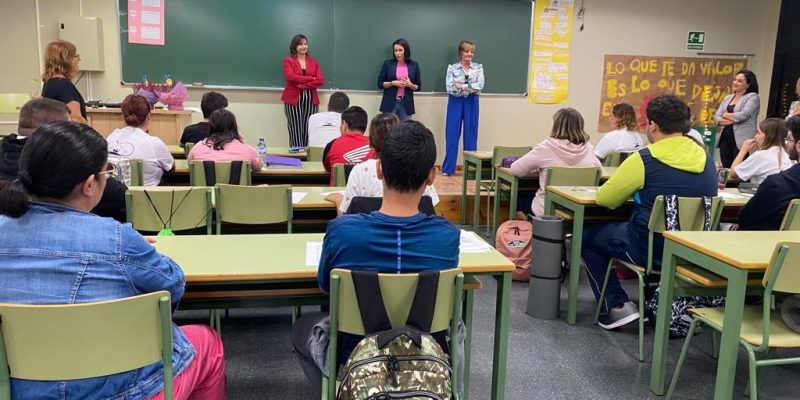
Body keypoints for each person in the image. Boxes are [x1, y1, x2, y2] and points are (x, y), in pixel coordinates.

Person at [0, 121, 225, 399]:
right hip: (121, 391)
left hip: (16, 389)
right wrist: (141, 250)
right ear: (90, 184)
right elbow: (173, 286)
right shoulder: (117, 240)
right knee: (208, 341)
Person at [292, 120, 460, 396]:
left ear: (379, 168)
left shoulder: (342, 231)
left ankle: (342, 388)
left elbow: (326, 286)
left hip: (352, 354)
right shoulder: (447, 237)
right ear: (432, 176)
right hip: (426, 354)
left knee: (303, 327)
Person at [581, 95, 717, 329]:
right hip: (692, 251)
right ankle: (654, 299)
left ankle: (614, 305)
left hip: (652, 249)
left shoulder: (644, 158)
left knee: (586, 237)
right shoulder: (706, 158)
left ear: (652, 125)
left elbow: (606, 199)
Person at [0, 98, 127, 222]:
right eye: (70, 126)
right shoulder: (66, 157)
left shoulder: (8, 154)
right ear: (57, 131)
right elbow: (119, 198)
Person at [327, 113, 439, 214]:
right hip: (416, 233)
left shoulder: (360, 171)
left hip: (368, 234)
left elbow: (346, 216)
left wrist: (338, 200)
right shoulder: (418, 166)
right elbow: (430, 208)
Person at [509, 108, 602, 217]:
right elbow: (600, 173)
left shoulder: (546, 147)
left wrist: (538, 170)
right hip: (578, 211)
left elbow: (515, 170)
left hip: (547, 209)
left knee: (519, 197)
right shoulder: (588, 148)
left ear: (556, 125)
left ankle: (532, 225)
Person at [737, 116, 800, 230]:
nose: (787, 143)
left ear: (799, 146)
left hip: (766, 242)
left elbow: (745, 218)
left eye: (789, 139)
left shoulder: (776, 183)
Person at [107, 94, 175, 186]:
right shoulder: (153, 143)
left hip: (111, 197)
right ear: (148, 116)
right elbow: (171, 167)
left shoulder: (112, 136)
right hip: (145, 198)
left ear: (124, 116)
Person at [442, 40, 484, 176]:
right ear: (461, 53)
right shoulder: (452, 68)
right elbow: (449, 88)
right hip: (455, 102)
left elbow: (480, 86)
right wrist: (467, 87)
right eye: (467, 51)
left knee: (471, 135)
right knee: (452, 134)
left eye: (472, 51)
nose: (469, 54)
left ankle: (470, 171)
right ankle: (448, 169)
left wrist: (462, 86)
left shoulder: (478, 67)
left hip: (472, 102)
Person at [281, 34, 325, 148]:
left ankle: (306, 157)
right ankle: (297, 157)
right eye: (300, 44)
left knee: (309, 128)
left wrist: (302, 84)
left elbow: (320, 80)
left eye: (305, 44)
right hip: (293, 100)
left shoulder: (314, 62)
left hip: (311, 99)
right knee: (295, 128)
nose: (303, 46)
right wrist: (311, 79)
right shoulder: (288, 60)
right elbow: (291, 77)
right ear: (294, 46)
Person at [188, 109, 263, 172]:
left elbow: (190, 165)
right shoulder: (247, 150)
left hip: (205, 189)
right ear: (233, 127)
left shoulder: (197, 148)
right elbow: (258, 167)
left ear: (210, 126)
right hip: (237, 189)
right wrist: (241, 143)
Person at [714, 69, 760, 168]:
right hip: (726, 139)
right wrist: (732, 119)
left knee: (738, 170)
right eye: (735, 79)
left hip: (742, 140)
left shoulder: (752, 97)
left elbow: (743, 115)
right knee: (726, 169)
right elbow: (716, 118)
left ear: (748, 85)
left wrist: (725, 114)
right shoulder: (728, 97)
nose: (735, 82)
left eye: (739, 81)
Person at [728, 118, 792, 186]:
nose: (755, 136)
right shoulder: (788, 154)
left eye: (758, 133)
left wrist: (743, 150)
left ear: (769, 136)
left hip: (763, 194)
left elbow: (733, 174)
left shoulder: (762, 156)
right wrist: (752, 152)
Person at [41, 39, 87, 123]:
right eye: (76, 56)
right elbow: (76, 119)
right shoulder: (64, 86)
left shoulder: (49, 84)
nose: (79, 60)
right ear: (66, 60)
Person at [322, 106, 374, 180]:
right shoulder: (374, 145)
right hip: (366, 191)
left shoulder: (332, 144)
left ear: (344, 125)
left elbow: (328, 169)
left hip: (338, 191)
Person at [377, 38, 421, 121]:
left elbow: (418, 86)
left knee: (405, 130)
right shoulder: (388, 64)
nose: (397, 53)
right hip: (390, 103)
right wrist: (392, 83)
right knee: (388, 130)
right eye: (395, 51)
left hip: (406, 104)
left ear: (406, 50)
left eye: (400, 50)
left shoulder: (413, 65)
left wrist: (410, 85)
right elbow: (380, 83)